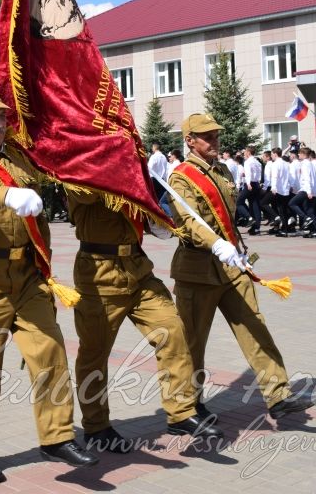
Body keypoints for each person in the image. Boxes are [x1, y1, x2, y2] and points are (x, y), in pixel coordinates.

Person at [0, 88, 97, 484]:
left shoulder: (19, 159)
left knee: (50, 351)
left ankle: (56, 436)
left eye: (1, 116)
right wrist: (6, 195)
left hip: (25, 276)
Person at [168, 113, 316, 420]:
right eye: (206, 136)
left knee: (255, 327)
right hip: (198, 270)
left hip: (234, 267)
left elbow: (229, 218)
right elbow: (189, 222)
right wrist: (216, 244)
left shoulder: (221, 170)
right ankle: (189, 405)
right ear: (190, 141)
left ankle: (278, 395)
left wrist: (235, 248)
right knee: (192, 342)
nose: (213, 140)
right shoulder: (180, 176)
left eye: (215, 135)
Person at [66, 178, 222, 452]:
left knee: (173, 329)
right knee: (94, 353)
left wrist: (156, 217)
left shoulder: (129, 169)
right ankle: (96, 426)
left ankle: (181, 411)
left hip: (138, 268)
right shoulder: (78, 170)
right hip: (98, 275)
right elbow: (86, 194)